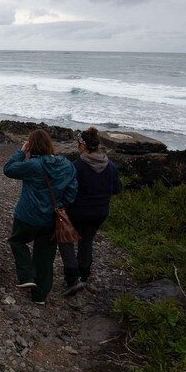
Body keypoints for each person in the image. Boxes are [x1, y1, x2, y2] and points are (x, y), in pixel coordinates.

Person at [3, 129, 78, 305]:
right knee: (44, 257)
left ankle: (27, 275)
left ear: (32, 146)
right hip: (51, 219)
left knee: (17, 241)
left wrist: (21, 152)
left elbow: (8, 169)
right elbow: (72, 190)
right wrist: (60, 205)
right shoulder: (68, 165)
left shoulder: (34, 165)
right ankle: (40, 297)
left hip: (27, 216)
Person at [58, 127, 122, 296]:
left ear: (82, 145)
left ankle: (72, 279)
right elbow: (117, 189)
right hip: (100, 212)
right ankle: (84, 277)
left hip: (77, 211)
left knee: (65, 239)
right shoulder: (111, 167)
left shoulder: (77, 166)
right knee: (86, 241)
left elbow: (66, 189)